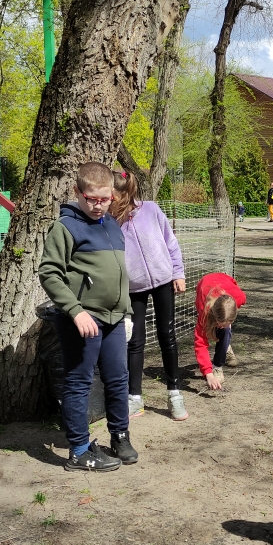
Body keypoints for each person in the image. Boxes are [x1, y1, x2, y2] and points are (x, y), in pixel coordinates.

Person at [39, 162, 136, 472]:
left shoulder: (112, 226)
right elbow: (49, 273)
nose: (98, 205)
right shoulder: (65, 227)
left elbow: (118, 276)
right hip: (82, 321)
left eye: (105, 199)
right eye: (92, 199)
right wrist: (76, 311)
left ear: (112, 195)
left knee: (118, 379)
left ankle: (119, 435)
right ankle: (79, 449)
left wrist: (127, 313)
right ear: (77, 193)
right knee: (79, 382)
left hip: (115, 318)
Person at [108, 168, 189, 422]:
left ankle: (174, 393)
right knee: (135, 340)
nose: (107, 200)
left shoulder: (151, 210)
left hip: (163, 280)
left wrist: (178, 272)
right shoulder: (110, 222)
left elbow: (170, 241)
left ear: (123, 193)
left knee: (167, 335)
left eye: (110, 195)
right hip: (133, 288)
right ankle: (135, 398)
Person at [193, 272, 246, 391]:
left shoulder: (239, 298)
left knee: (225, 330)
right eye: (218, 323)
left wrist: (226, 325)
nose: (220, 326)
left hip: (224, 280)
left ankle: (218, 364)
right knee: (215, 329)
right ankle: (221, 354)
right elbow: (200, 343)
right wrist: (208, 373)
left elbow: (235, 285)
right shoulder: (204, 310)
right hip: (204, 284)